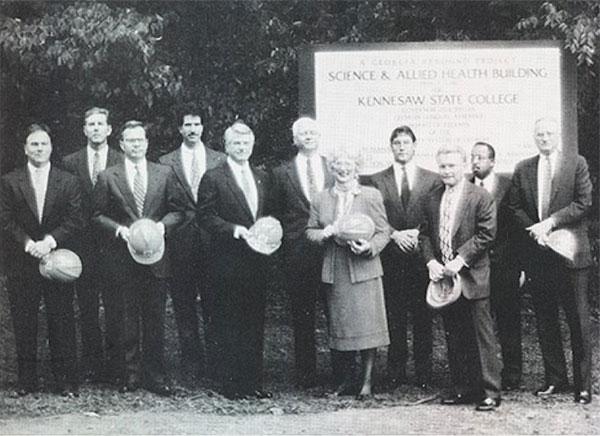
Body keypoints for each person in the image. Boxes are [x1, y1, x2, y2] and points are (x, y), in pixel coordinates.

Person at [92, 120, 184, 396]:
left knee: (155, 317)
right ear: (121, 145)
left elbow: (179, 210)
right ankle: (130, 374)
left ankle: (155, 376)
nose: (136, 145)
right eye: (130, 140)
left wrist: (162, 226)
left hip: (156, 257)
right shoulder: (108, 176)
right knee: (126, 316)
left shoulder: (164, 173)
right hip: (123, 257)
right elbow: (96, 215)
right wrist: (119, 229)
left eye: (140, 140)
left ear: (147, 142)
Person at [508, 118, 593, 404]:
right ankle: (555, 380)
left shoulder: (576, 163)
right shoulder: (523, 168)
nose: (544, 138)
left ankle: (583, 385)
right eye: (539, 134)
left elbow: (583, 203)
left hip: (570, 255)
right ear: (534, 138)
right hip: (539, 254)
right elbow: (514, 206)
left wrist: (551, 223)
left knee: (578, 321)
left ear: (558, 135)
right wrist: (534, 229)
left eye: (548, 133)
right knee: (546, 320)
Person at [0, 123, 83, 397]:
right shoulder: (10, 181)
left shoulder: (68, 180)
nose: (39, 148)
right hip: (22, 261)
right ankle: (27, 381)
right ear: (25, 148)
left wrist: (50, 241)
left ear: (51, 147)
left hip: (57, 260)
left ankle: (65, 381)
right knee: (24, 322)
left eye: (44, 144)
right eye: (34, 144)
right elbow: (5, 219)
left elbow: (75, 218)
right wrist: (27, 243)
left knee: (61, 319)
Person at [420, 145, 502, 412]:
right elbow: (423, 235)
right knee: (455, 336)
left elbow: (486, 234)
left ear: (463, 165)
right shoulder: (432, 198)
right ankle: (463, 388)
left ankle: (491, 391)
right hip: (445, 281)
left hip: (473, 276)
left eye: (452, 166)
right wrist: (431, 261)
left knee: (482, 337)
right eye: (442, 166)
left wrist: (460, 260)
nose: (447, 171)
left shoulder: (480, 196)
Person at [197, 120, 273, 400]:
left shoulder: (262, 175)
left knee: (254, 321)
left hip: (257, 261)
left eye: (246, 143)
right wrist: (233, 229)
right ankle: (229, 384)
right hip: (226, 261)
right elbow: (204, 216)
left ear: (252, 146)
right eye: (236, 143)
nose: (241, 148)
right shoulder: (213, 177)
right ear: (226, 146)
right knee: (228, 321)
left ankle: (253, 382)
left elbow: (268, 214)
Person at [306, 151, 391, 399]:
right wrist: (323, 234)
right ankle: (345, 380)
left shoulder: (371, 195)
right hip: (336, 268)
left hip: (364, 268)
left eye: (348, 164)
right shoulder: (321, 198)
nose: (343, 169)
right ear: (331, 169)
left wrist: (370, 247)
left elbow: (383, 232)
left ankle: (366, 382)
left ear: (356, 169)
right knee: (341, 326)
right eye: (338, 164)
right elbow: (310, 230)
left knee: (367, 326)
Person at [362, 126, 440, 388]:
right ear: (391, 147)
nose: (402, 147)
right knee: (394, 317)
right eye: (397, 143)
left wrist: (416, 235)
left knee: (423, 318)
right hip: (391, 257)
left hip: (420, 258)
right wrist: (395, 234)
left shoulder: (433, 179)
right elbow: (373, 217)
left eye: (406, 142)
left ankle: (424, 374)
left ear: (415, 146)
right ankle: (395, 373)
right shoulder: (376, 180)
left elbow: (435, 217)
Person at [159, 104, 225, 384]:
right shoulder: (165, 162)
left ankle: (216, 364)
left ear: (204, 128)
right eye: (187, 125)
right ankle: (191, 364)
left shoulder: (220, 160)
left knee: (215, 303)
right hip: (180, 243)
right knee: (184, 304)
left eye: (197, 124)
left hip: (214, 242)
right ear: (179, 129)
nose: (192, 129)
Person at [61, 107, 123, 383]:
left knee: (114, 304)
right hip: (82, 244)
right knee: (86, 305)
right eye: (91, 124)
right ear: (84, 130)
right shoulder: (69, 162)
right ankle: (93, 364)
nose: (96, 128)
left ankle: (115, 364)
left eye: (101, 124)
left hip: (113, 244)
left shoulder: (122, 160)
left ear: (110, 129)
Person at [271, 117, 334, 388]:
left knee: (336, 311)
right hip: (297, 251)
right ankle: (306, 373)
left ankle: (341, 372)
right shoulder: (281, 172)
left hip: (332, 249)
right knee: (302, 313)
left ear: (319, 137)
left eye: (312, 132)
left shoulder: (332, 167)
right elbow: (275, 213)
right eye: (302, 133)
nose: (307, 137)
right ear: (294, 139)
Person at [469, 142, 522, 390]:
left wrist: (520, 266)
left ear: (492, 161)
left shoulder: (508, 186)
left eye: (481, 157)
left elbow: (517, 229)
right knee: (478, 321)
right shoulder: (465, 186)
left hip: (505, 265)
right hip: (474, 265)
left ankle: (512, 373)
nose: (475, 162)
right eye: (473, 157)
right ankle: (481, 372)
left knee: (508, 319)